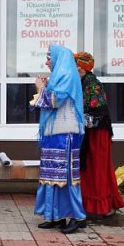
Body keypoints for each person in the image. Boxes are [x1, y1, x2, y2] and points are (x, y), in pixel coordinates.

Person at [30, 44, 87, 234]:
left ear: (58, 59)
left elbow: (55, 101)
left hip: (66, 134)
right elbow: (52, 98)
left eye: (49, 58)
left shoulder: (67, 75)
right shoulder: (59, 76)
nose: (47, 62)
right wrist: (45, 87)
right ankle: (56, 215)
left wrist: (40, 88)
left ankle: (78, 216)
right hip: (54, 133)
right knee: (51, 175)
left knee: (67, 176)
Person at [74, 52, 124, 217]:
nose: (73, 68)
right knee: (89, 168)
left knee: (98, 168)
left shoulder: (93, 84)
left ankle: (104, 205)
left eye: (75, 65)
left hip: (98, 133)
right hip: (89, 132)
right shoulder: (81, 82)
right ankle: (90, 204)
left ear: (82, 67)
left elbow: (96, 111)